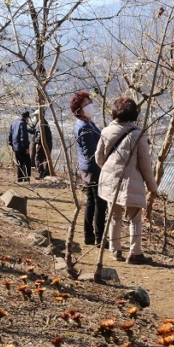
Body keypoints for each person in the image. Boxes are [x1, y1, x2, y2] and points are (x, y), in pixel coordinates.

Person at [95, 97, 158, 265]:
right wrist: (152, 186)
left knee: (114, 216)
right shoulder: (138, 135)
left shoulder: (106, 131)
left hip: (110, 180)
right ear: (134, 114)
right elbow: (145, 165)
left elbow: (99, 158)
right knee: (135, 218)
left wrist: (109, 170)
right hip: (131, 181)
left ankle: (115, 250)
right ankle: (135, 253)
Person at [71, 91, 106, 245]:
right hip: (93, 168)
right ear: (79, 109)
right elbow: (91, 152)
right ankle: (99, 237)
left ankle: (89, 235)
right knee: (99, 202)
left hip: (88, 167)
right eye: (85, 104)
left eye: (89, 102)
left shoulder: (88, 122)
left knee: (92, 201)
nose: (89, 105)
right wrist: (100, 168)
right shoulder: (84, 126)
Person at [7, 110, 32, 182]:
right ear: (26, 118)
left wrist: (11, 144)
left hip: (15, 147)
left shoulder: (14, 123)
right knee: (27, 162)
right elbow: (23, 137)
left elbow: (10, 135)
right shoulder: (22, 124)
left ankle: (20, 178)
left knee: (20, 163)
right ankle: (27, 179)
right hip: (22, 147)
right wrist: (26, 147)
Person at [30, 111, 52, 179]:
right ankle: (46, 173)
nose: (35, 117)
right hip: (48, 143)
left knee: (38, 158)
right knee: (46, 158)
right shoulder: (43, 122)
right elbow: (36, 131)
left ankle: (41, 173)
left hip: (43, 143)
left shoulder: (41, 123)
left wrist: (38, 143)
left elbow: (39, 133)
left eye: (36, 115)